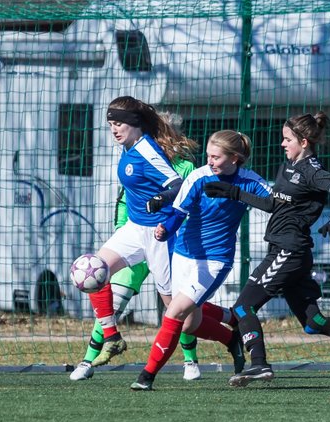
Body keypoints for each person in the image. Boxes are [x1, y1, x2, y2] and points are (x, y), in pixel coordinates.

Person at [203, 111, 330, 386]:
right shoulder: (287, 167)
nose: (283, 144)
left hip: (289, 250)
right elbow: (273, 205)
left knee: (242, 308)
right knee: (314, 323)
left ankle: (259, 364)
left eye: (287, 139)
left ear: (304, 142)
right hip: (289, 251)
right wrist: (235, 193)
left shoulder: (312, 170)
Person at [84, 96, 242, 370]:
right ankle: (111, 337)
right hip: (134, 229)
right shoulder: (128, 147)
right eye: (110, 124)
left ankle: (229, 337)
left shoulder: (146, 150)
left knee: (186, 321)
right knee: (91, 270)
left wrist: (160, 199)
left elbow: (177, 184)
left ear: (134, 124)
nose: (114, 129)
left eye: (119, 123)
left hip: (160, 236)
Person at [130, 131, 270, 390]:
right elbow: (178, 212)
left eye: (216, 157)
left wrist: (237, 194)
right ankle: (231, 336)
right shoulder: (198, 176)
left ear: (235, 159)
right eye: (208, 156)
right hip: (184, 255)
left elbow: (273, 202)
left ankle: (146, 376)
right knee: (189, 323)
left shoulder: (249, 180)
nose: (210, 162)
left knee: (173, 313)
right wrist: (166, 230)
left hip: (215, 260)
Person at [69, 150, 203, 382]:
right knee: (104, 288)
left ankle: (190, 361)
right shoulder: (139, 161)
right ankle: (89, 359)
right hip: (135, 242)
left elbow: (190, 205)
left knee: (178, 309)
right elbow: (125, 200)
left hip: (168, 244)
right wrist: (123, 232)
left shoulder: (184, 167)